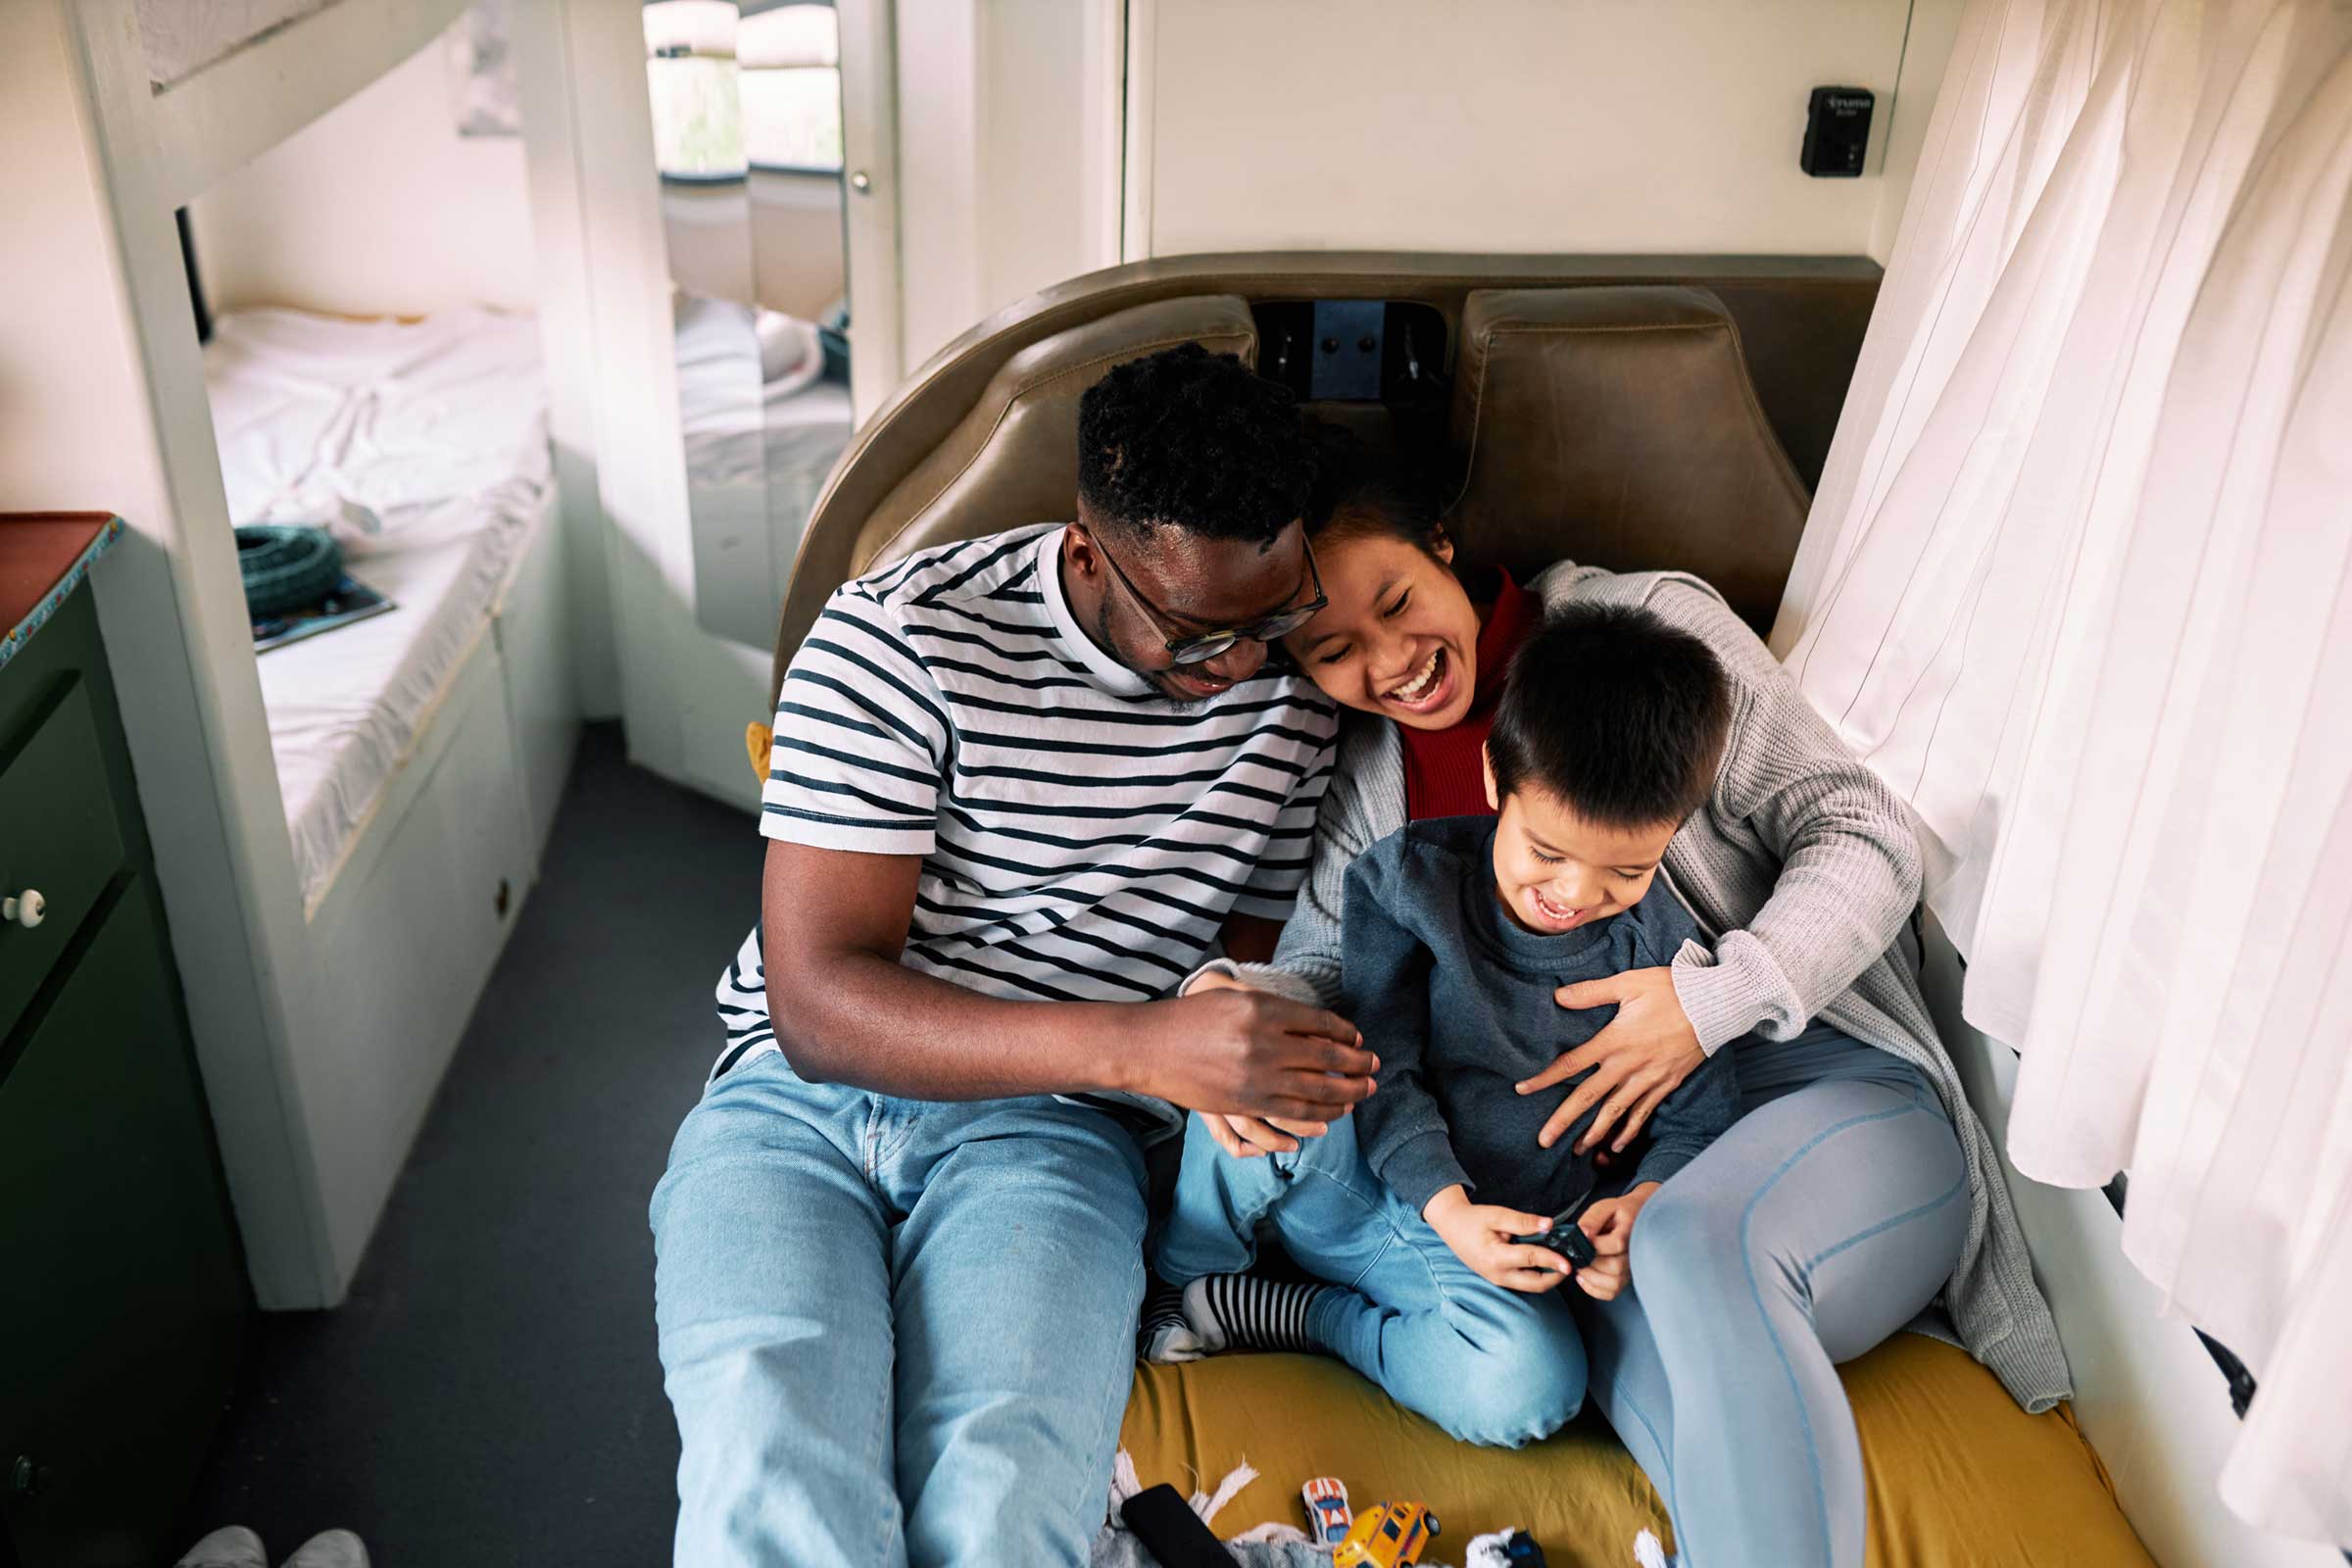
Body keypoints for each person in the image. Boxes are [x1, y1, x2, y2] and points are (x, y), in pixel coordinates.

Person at [1171, 457, 2071, 1568]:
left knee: (1696, 1243)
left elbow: (1861, 831)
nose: (1389, 660)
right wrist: (1225, 1005)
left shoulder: (1650, 636)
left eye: (1395, 602)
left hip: (1823, 1089)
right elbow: (1337, 975)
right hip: (1606, 1203)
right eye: (1334, 650)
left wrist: (1709, 1004)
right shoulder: (1374, 790)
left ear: (1441, 545)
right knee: (1613, 1353)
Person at [649, 344, 1381, 1568]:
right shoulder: (901, 638)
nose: (1251, 666)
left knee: (1000, 1511)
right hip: (798, 1107)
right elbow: (819, 1008)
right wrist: (1142, 1046)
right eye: (1202, 634)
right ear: (1089, 553)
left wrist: (1230, 1036)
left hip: (1052, 1134)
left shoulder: (1295, 691)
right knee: (777, 1487)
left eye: (1279, 611)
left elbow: (1235, 972)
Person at [1150, 609, 1742, 1449]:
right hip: (1371, 1180)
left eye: (1626, 870)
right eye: (1546, 852)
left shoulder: (1667, 950)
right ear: (1496, 780)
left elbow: (1699, 1113)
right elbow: (1381, 1065)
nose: (1574, 893)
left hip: (1481, 1251)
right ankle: (1182, 1273)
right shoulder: (1409, 882)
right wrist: (1446, 1205)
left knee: (1532, 1389)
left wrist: (1641, 1204)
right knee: (1257, 1060)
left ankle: (1298, 1316)